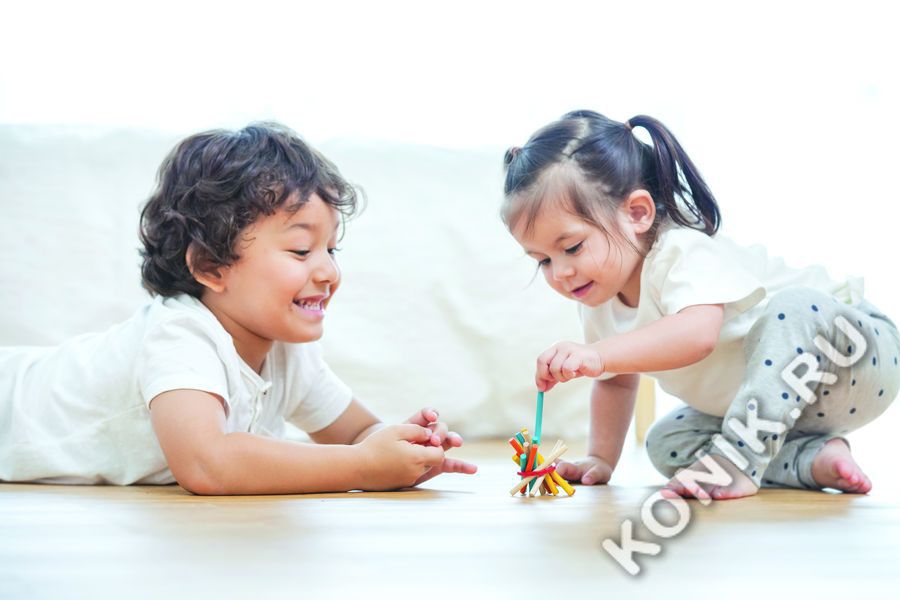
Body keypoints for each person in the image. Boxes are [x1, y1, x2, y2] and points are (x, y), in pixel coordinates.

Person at [0, 122, 476, 494]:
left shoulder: (288, 351)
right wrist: (364, 467)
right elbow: (207, 464)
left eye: (332, 249)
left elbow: (358, 435)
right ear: (211, 266)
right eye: (300, 250)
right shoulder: (181, 335)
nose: (329, 271)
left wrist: (405, 447)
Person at [500, 109, 898, 499]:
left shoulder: (680, 249)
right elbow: (616, 381)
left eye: (572, 247)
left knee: (793, 307)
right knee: (667, 442)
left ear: (637, 213)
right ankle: (810, 460)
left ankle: (739, 462)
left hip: (849, 352)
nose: (561, 273)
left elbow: (697, 334)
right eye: (543, 261)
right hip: (789, 411)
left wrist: (598, 355)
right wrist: (600, 458)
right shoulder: (597, 299)